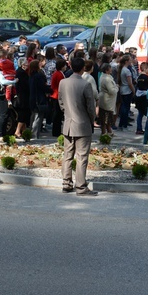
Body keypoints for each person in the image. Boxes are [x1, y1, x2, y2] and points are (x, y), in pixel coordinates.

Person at [58, 56, 98, 196]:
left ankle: (66, 183)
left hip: (68, 123)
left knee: (67, 155)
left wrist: (67, 113)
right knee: (81, 157)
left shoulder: (63, 82)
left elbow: (61, 102)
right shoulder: (85, 84)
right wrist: (92, 119)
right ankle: (81, 186)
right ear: (82, 69)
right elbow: (91, 108)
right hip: (82, 124)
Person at [29, 59, 51, 139]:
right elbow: (43, 87)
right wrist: (51, 90)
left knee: (33, 117)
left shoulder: (31, 76)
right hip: (39, 99)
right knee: (38, 118)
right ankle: (34, 135)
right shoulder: (38, 76)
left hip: (33, 98)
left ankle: (30, 133)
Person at [98, 63, 117, 136]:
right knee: (106, 117)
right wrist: (117, 88)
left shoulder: (104, 76)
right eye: (110, 68)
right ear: (106, 70)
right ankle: (104, 132)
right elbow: (112, 91)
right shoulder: (107, 79)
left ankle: (108, 131)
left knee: (105, 116)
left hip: (105, 99)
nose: (111, 69)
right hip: (107, 100)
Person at [134, 62, 148, 135]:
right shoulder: (147, 78)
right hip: (144, 97)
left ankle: (139, 128)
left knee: (140, 114)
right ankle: (147, 129)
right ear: (145, 69)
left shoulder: (138, 77)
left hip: (138, 96)